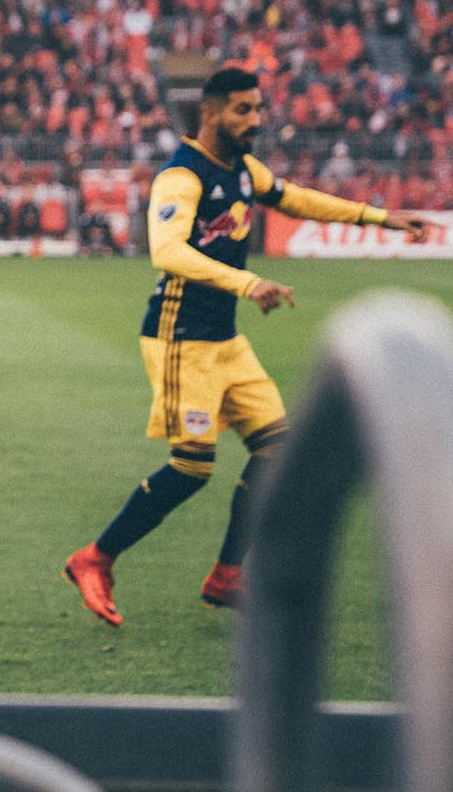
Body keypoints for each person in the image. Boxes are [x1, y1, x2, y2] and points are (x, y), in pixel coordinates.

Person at [63, 68, 430, 627]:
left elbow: (295, 199)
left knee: (277, 451)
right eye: (242, 110)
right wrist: (246, 282)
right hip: (180, 337)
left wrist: (379, 217)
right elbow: (166, 251)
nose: (255, 120)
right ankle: (95, 558)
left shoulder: (243, 168)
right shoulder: (181, 176)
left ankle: (227, 575)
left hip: (224, 339)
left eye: (257, 109)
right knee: (191, 467)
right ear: (210, 112)